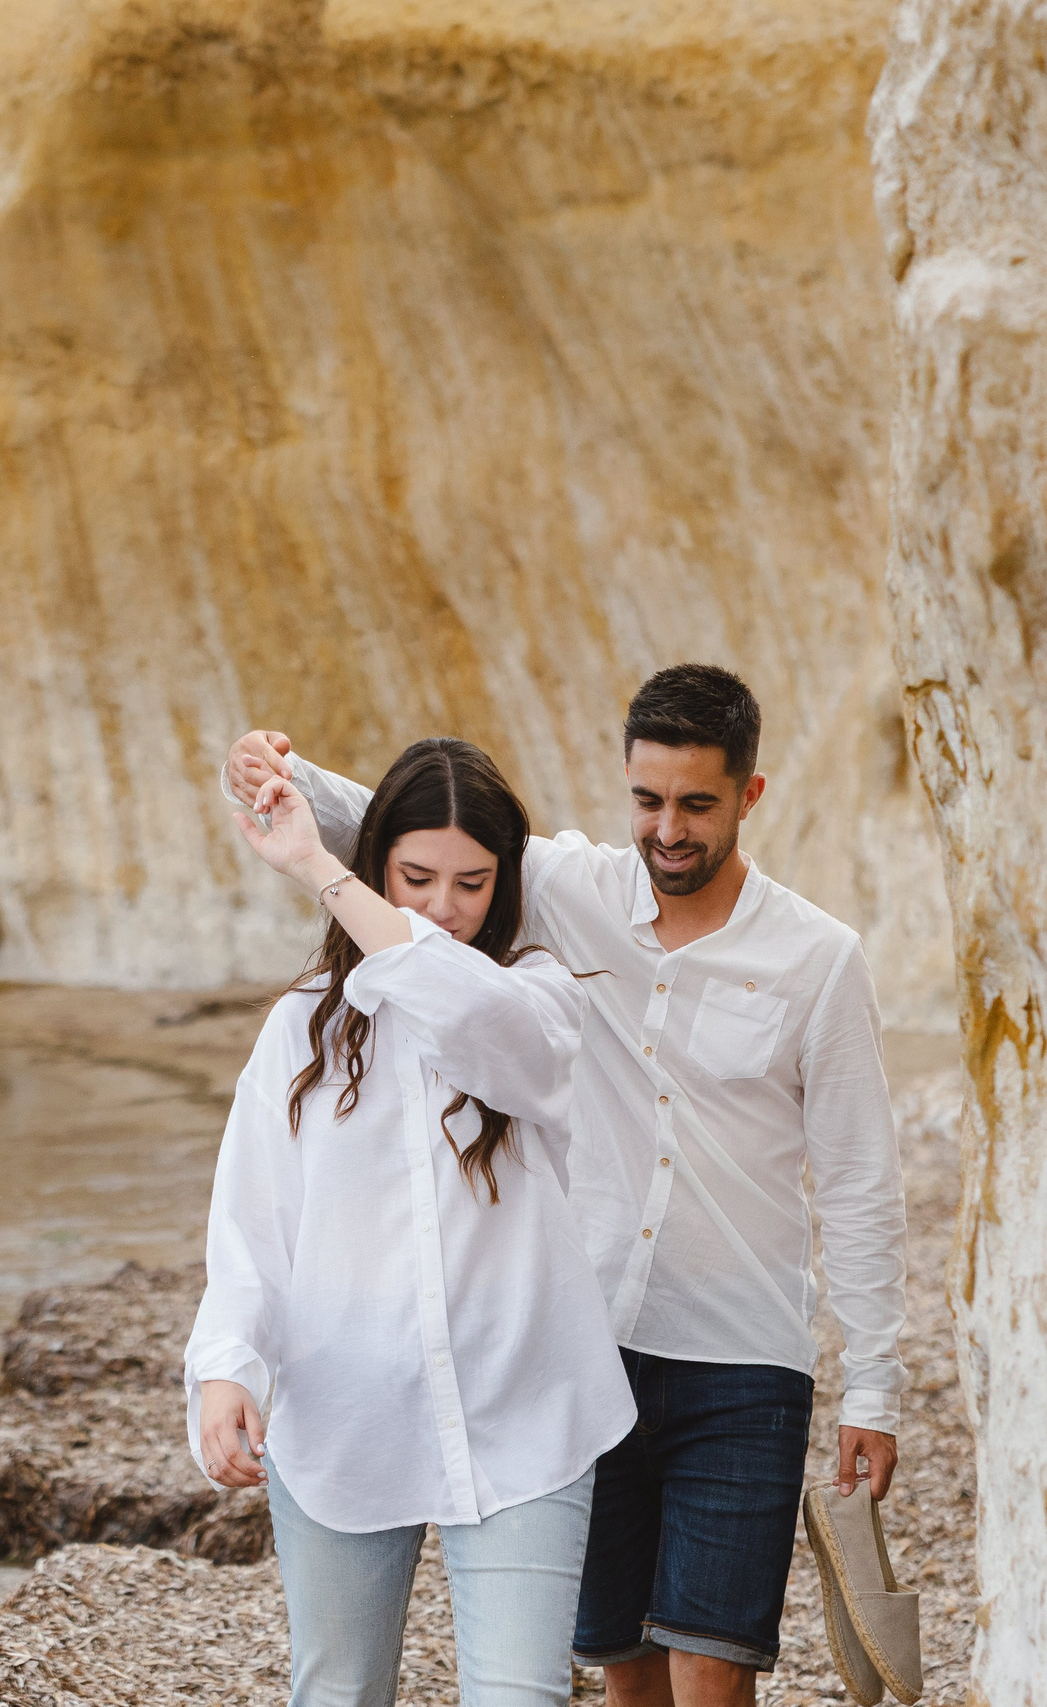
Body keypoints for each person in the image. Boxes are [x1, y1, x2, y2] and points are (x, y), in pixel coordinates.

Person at [220, 666, 909, 1707]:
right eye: (646, 800)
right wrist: (281, 776)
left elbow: (860, 1178)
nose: (666, 829)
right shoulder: (570, 889)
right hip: (592, 1344)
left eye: (695, 805)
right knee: (620, 1664)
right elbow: (418, 828)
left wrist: (876, 1383)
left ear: (749, 797)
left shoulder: (816, 957)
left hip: (741, 1350)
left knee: (713, 1664)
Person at [186, 737, 635, 1707]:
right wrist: (228, 1367)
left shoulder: (539, 1001)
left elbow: (469, 1018)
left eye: (471, 882)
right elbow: (254, 1230)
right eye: (416, 877)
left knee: (524, 1695)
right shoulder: (302, 1029)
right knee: (338, 1693)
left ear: (505, 883)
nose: (443, 907)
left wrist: (317, 866)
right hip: (342, 1416)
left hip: (527, 1408)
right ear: (382, 861)